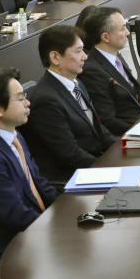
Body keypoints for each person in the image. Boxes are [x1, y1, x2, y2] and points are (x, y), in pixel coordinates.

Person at [0, 68, 59, 277]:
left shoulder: (14, 136)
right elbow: (14, 214)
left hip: (34, 226)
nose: (28, 102)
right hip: (10, 244)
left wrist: (65, 211)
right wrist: (56, 231)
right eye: (20, 98)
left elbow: (38, 182)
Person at [21, 26, 117, 183]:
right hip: (71, 176)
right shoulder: (46, 100)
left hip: (93, 162)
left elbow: (100, 130)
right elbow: (69, 154)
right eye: (78, 51)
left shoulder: (76, 83)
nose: (85, 57)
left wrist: (122, 149)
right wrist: (110, 168)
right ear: (55, 57)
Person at [79, 7, 140, 135]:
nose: (128, 33)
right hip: (130, 132)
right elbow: (108, 120)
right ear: (106, 37)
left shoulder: (115, 55)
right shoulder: (92, 70)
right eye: (123, 28)